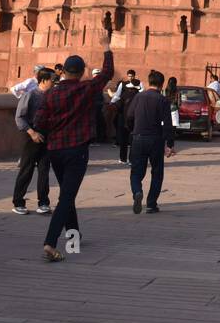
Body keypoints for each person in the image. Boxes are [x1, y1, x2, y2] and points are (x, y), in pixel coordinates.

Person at [28, 41, 114, 262]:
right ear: (83, 71)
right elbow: (106, 74)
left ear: (63, 71)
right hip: (77, 150)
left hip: (55, 150)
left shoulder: (50, 95)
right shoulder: (85, 89)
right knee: (67, 195)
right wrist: (106, 48)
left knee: (68, 193)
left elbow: (38, 121)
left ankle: (74, 235)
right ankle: (50, 242)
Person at [126, 70, 177, 212]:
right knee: (157, 172)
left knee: (136, 171)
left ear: (149, 82)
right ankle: (151, 204)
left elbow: (129, 116)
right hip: (156, 139)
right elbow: (168, 124)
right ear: (161, 85)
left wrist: (133, 130)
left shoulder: (139, 97)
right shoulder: (163, 100)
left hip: (138, 137)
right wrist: (170, 144)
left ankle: (137, 191)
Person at [12, 67, 56, 214]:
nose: (54, 82)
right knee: (27, 169)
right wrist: (32, 133)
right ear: (43, 80)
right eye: (52, 79)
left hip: (46, 136)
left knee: (44, 170)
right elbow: (19, 117)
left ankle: (43, 202)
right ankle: (18, 202)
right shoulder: (30, 95)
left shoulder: (52, 96)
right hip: (31, 135)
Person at [111, 69, 143, 162]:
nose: (130, 77)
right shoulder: (137, 92)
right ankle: (130, 159)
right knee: (131, 139)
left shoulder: (127, 92)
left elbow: (116, 97)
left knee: (124, 139)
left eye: (131, 76)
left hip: (124, 117)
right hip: (133, 118)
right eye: (129, 76)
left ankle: (123, 158)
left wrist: (112, 104)